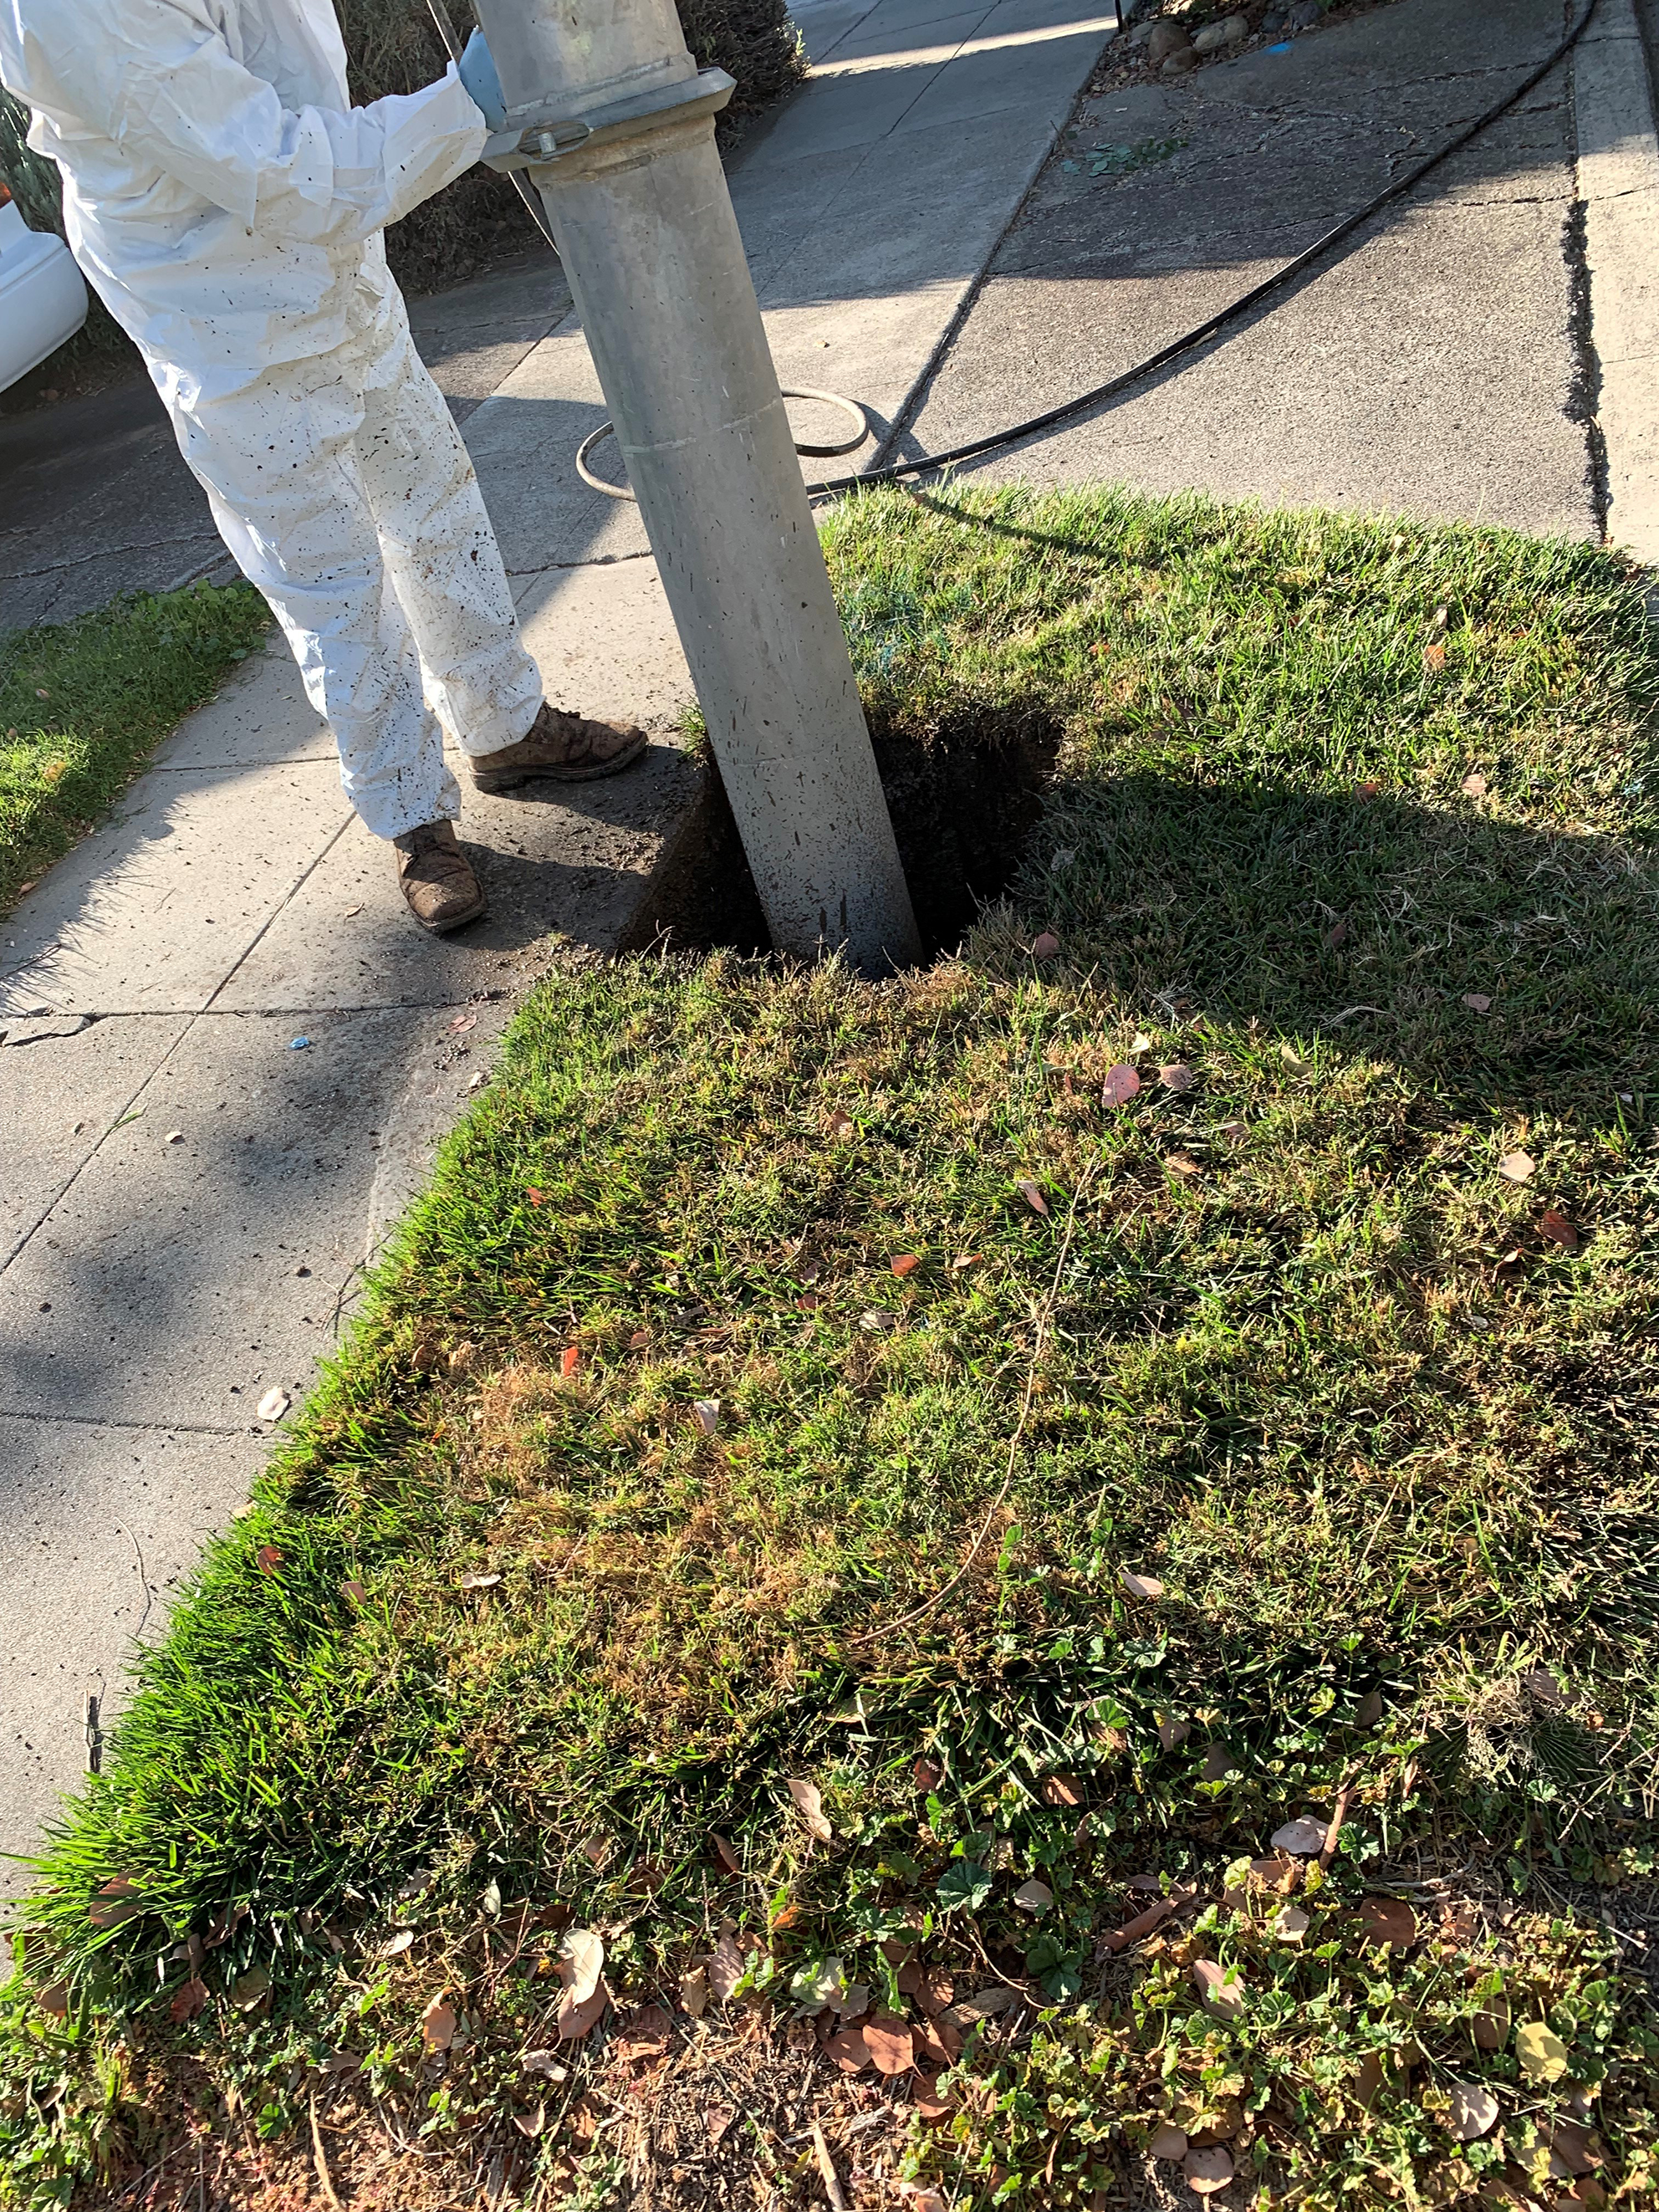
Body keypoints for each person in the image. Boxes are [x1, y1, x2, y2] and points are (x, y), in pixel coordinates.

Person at [0, 0, 646, 932]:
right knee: (331, 582)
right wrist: (466, 102)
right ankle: (413, 819)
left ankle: (506, 724)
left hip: (337, 271)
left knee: (435, 504)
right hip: (222, 316)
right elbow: (281, 171)